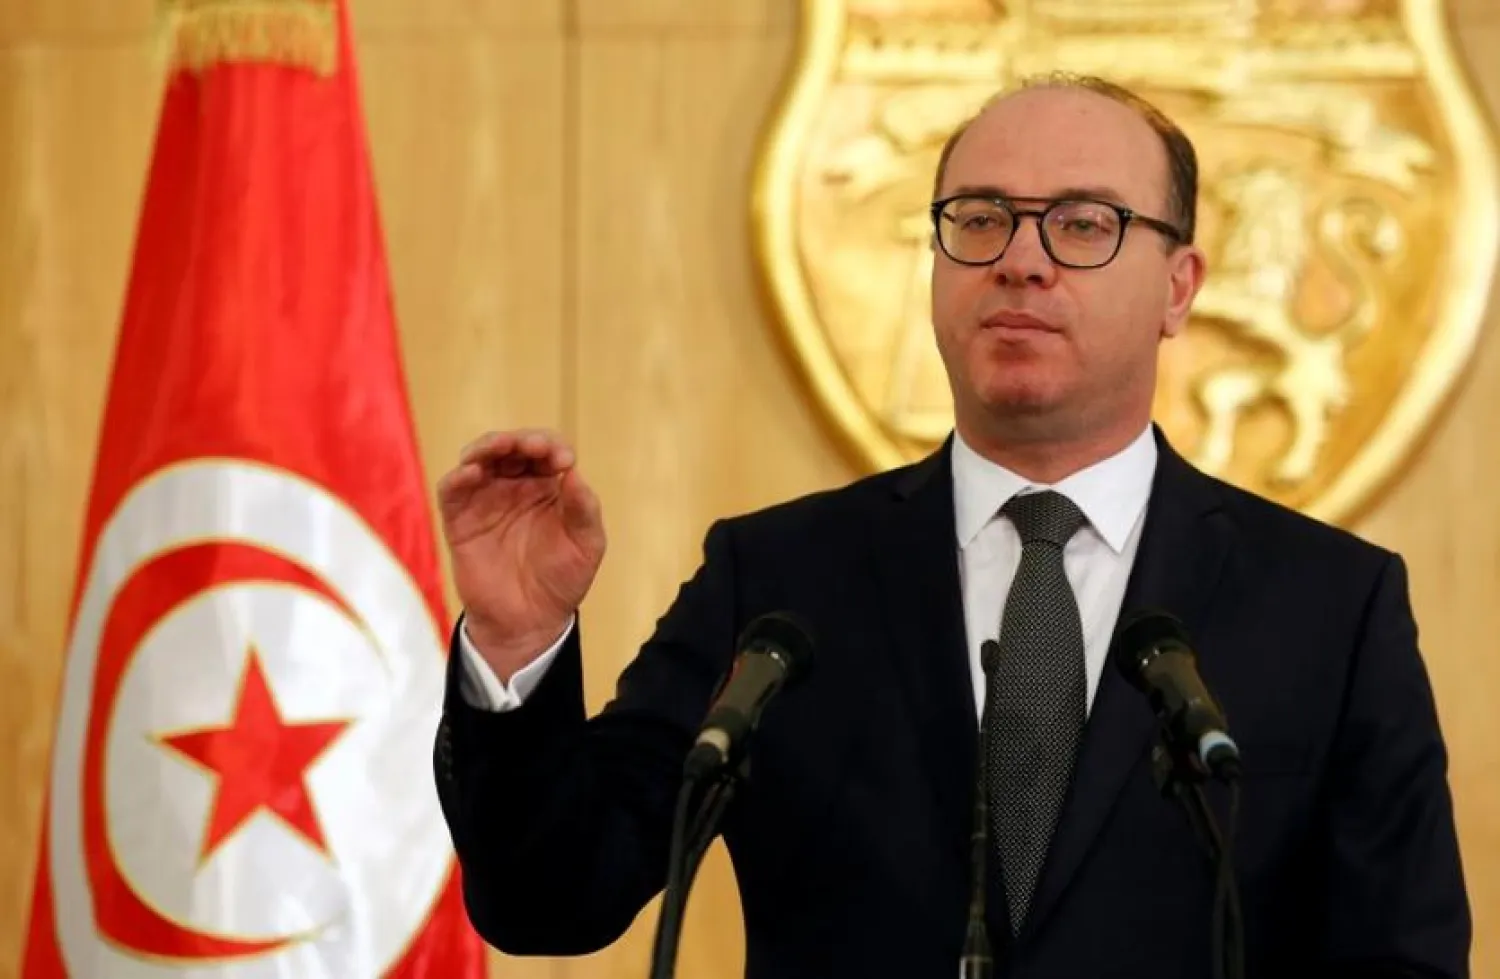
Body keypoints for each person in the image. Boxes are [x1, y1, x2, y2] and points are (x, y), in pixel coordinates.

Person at [430, 73, 1471, 978]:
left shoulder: (1330, 606)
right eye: (980, 219)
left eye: (1082, 224)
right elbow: (550, 896)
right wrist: (518, 646)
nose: (1020, 260)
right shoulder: (781, 580)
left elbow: (1402, 955)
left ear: (1178, 286)